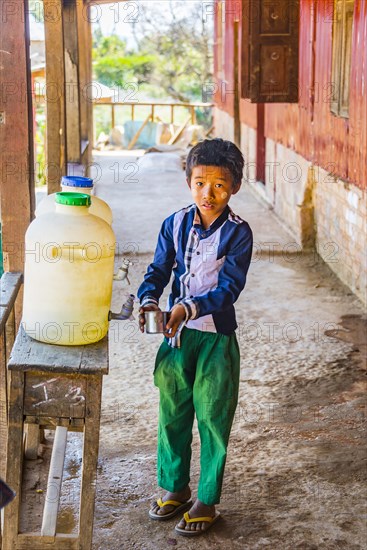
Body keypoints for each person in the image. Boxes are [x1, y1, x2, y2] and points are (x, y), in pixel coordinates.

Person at [137, 138, 253, 537]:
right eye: (201, 182)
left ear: (235, 187)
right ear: (188, 181)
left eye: (219, 185)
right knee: (173, 414)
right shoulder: (174, 223)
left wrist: (187, 307)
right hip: (176, 339)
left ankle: (207, 498)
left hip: (215, 339)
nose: (209, 193)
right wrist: (149, 300)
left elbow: (228, 289)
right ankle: (175, 487)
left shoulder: (238, 233)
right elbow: (157, 270)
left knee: (213, 418)